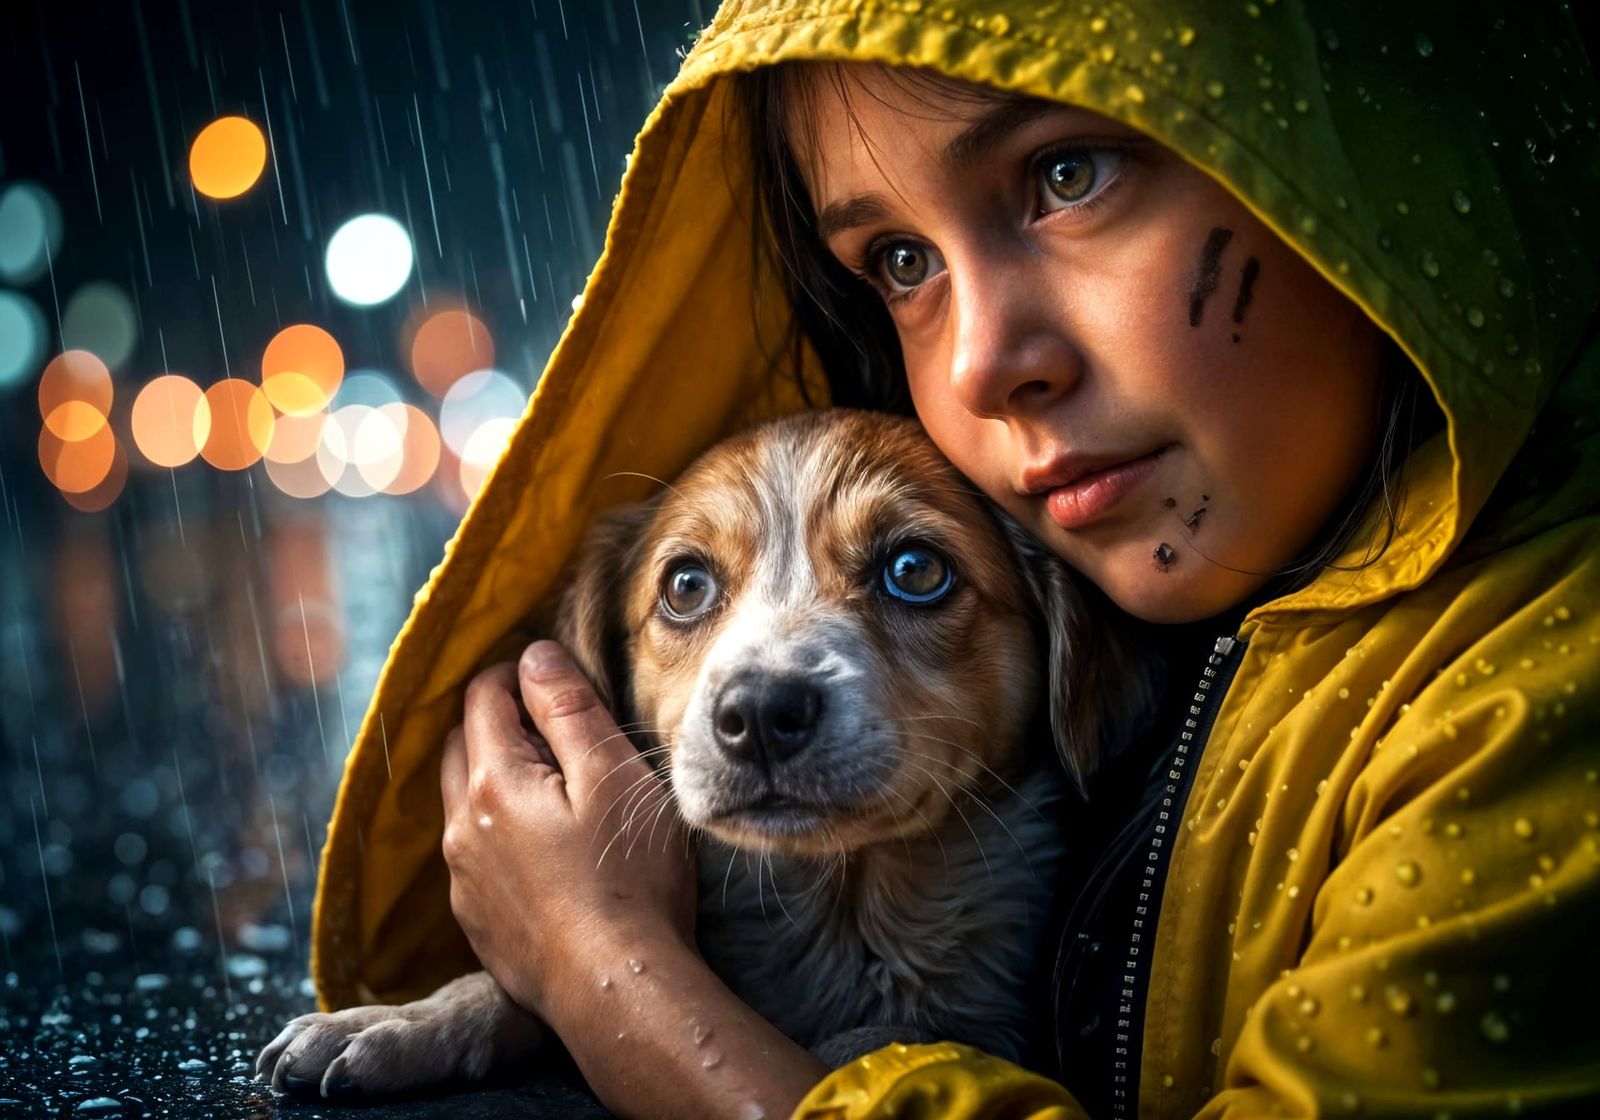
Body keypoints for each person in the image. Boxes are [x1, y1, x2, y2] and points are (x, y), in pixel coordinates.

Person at [307, 1, 1600, 1116]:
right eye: (901, 262)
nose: (978, 366)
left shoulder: (1546, 700)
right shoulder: (1204, 578)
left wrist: (607, 977)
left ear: (1355, 148)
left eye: (1069, 174)